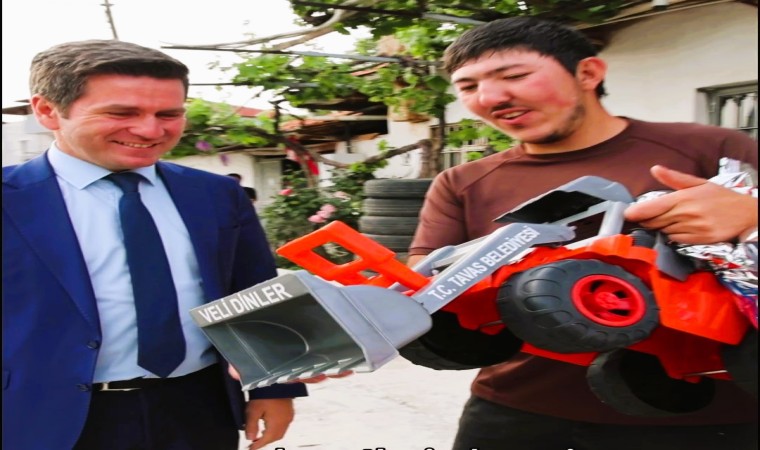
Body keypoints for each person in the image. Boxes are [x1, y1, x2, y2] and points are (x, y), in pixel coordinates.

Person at [407, 17, 758, 450]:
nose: (490, 97)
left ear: (588, 73)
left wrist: (750, 216)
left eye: (514, 76)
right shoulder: (461, 181)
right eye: (468, 86)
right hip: (515, 410)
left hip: (711, 419)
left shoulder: (711, 149)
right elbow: (427, 283)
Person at [2, 40, 307, 450]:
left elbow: (255, 294)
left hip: (199, 409)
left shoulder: (215, 195)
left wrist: (275, 388)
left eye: (169, 114)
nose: (150, 130)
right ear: (47, 111)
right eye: (120, 113)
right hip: (39, 416)